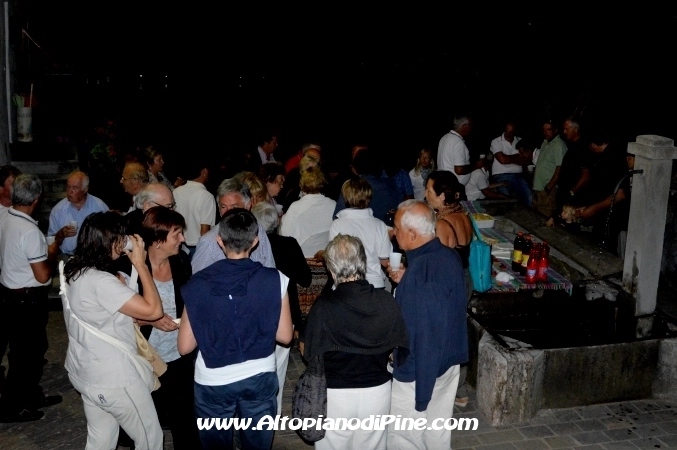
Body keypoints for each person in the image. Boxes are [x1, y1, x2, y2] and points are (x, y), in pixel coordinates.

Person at [178, 209, 293, 449]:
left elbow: (185, 346)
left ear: (220, 241)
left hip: (213, 380)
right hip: (259, 375)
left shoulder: (197, 284)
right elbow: (284, 336)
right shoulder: (275, 278)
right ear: (255, 241)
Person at [62, 211, 164, 448]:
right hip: (114, 380)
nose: (125, 241)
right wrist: (140, 264)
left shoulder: (73, 270)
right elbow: (154, 310)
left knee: (101, 440)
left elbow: (103, 313)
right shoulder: (101, 281)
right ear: (110, 241)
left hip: (85, 373)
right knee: (150, 439)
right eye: (121, 237)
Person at [301, 234, 409, 450]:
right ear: (363, 263)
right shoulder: (386, 301)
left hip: (336, 395)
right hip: (377, 392)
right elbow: (399, 349)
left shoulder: (324, 306)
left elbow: (307, 350)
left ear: (332, 270)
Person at [387, 200, 468, 449]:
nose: (393, 232)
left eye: (397, 227)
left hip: (420, 369)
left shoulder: (422, 274)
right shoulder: (447, 255)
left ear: (412, 234)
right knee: (436, 430)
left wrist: (421, 394)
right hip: (447, 363)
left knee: (404, 437)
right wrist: (407, 279)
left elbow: (427, 333)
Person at [135, 207, 200, 449]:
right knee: (146, 424)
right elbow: (114, 314)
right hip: (145, 358)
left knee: (186, 422)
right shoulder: (132, 269)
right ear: (158, 239)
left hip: (178, 354)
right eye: (177, 233)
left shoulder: (180, 261)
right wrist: (149, 320)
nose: (183, 239)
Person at [0, 174, 62, 423]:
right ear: (37, 199)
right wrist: (52, 252)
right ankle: (11, 407)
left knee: (25, 352)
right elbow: (43, 275)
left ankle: (30, 396)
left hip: (11, 294)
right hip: (27, 299)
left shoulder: (6, 217)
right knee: (27, 355)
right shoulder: (29, 231)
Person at [252, 201, 311, 414]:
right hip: (285, 311)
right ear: (277, 222)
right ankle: (272, 414)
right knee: (279, 366)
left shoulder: (250, 245)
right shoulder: (289, 244)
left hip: (256, 311)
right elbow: (305, 278)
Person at [424, 171, 473, 407]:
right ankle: (460, 389)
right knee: (458, 330)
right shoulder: (463, 215)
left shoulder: (442, 225)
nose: (425, 194)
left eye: (429, 190)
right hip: (466, 279)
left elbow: (438, 263)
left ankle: (444, 387)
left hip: (449, 284)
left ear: (442, 196)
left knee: (441, 334)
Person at [191, 176, 275, 273]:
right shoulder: (209, 242)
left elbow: (269, 266)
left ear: (248, 206)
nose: (228, 212)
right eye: (223, 207)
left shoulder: (258, 230)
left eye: (234, 207)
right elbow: (197, 278)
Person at [327, 179, 392, 289]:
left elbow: (334, 258)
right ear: (368, 199)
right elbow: (385, 260)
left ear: (345, 198)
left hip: (345, 284)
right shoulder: (379, 225)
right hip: (374, 284)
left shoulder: (337, 224)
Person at [48, 171, 109, 257]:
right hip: (67, 256)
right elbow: (50, 242)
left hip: (93, 257)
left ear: (85, 189)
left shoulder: (99, 207)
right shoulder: (58, 210)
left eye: (74, 188)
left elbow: (110, 234)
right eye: (68, 187)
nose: (70, 191)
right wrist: (61, 234)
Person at [279, 167, 336, 258]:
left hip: (302, 259)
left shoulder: (295, 207)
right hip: (328, 258)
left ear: (301, 184)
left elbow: (286, 237)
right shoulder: (333, 205)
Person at [173, 159, 216, 256]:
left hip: (178, 245)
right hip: (197, 248)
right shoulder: (206, 196)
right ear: (204, 171)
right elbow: (205, 231)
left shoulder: (176, 192)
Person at [489, 121, 532, 206]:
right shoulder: (496, 141)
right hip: (501, 175)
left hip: (518, 175)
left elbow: (525, 160)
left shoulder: (520, 141)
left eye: (511, 132)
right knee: (506, 198)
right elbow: (503, 160)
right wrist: (518, 156)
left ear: (515, 131)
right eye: (507, 131)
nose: (508, 134)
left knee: (529, 196)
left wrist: (508, 158)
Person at [533, 119, 568, 218]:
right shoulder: (545, 142)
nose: (545, 132)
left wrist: (549, 187)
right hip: (538, 188)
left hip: (548, 189)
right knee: (536, 217)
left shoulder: (558, 144)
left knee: (546, 216)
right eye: (544, 130)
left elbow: (560, 168)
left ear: (555, 130)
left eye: (548, 130)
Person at [437, 114, 473, 186]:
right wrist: (476, 166)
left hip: (444, 181)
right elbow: (459, 170)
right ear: (464, 126)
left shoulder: (445, 137)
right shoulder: (458, 142)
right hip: (453, 185)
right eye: (470, 125)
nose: (471, 128)